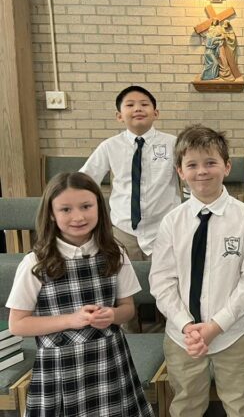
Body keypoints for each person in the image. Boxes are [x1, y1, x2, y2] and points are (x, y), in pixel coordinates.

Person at [6, 172, 153, 416]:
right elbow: (18, 324)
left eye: (86, 206)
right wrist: (71, 320)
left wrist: (113, 315)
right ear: (51, 214)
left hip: (109, 362)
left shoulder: (114, 253)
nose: (78, 216)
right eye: (65, 209)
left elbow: (128, 309)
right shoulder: (36, 263)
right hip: (61, 368)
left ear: (99, 207)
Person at [149, 125, 244, 417]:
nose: (202, 171)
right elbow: (161, 281)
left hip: (235, 333)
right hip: (182, 336)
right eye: (192, 164)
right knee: (186, 403)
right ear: (180, 171)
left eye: (211, 162)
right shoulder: (172, 222)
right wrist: (186, 326)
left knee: (240, 403)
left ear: (227, 166)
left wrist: (216, 325)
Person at [80, 85, 181, 261]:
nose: (138, 109)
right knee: (126, 283)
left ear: (156, 113)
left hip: (165, 228)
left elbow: (192, 176)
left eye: (144, 104)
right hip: (123, 231)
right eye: (130, 105)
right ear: (119, 116)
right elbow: (84, 180)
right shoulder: (110, 146)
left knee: (166, 282)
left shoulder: (173, 144)